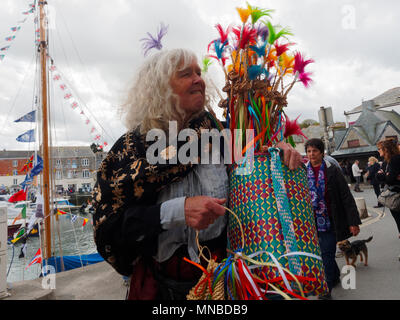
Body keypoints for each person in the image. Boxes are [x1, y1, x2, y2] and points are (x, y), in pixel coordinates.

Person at [91, 48, 303, 300]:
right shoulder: (130, 149)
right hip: (161, 289)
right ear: (160, 89)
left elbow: (258, 173)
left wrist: (276, 153)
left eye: (198, 73)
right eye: (186, 74)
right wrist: (177, 211)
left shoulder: (224, 135)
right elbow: (111, 228)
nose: (198, 79)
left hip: (227, 284)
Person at [305, 138, 361, 300]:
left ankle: (325, 290)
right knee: (323, 254)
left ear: (322, 153)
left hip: (330, 220)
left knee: (325, 254)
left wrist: (353, 222)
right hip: (311, 222)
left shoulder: (333, 170)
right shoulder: (302, 171)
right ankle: (335, 276)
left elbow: (346, 197)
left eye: (314, 151)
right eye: (308, 151)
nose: (311, 154)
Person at [376, 139, 400, 238]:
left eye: (379, 149)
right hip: (394, 196)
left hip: (397, 195)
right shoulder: (387, 162)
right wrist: (386, 175)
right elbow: (378, 176)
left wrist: (385, 176)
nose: (378, 151)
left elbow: (390, 179)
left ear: (386, 149)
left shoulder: (395, 159)